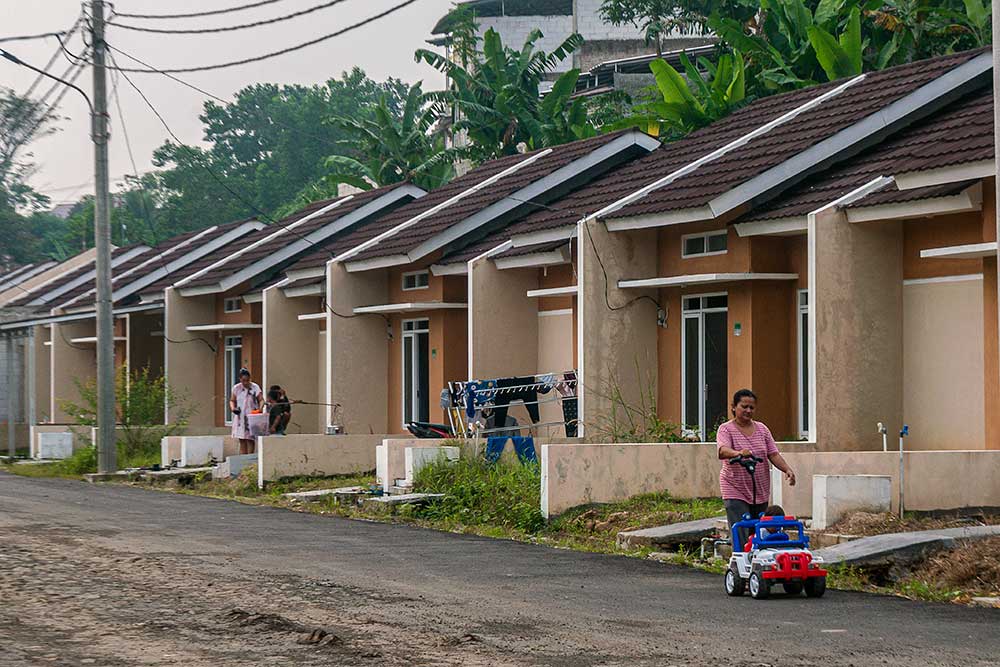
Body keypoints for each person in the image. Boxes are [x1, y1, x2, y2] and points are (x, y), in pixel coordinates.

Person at [717, 389, 797, 538]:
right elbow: (722, 450)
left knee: (759, 530)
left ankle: (757, 559)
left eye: (751, 408)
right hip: (734, 487)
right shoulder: (726, 429)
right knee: (741, 527)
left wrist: (787, 469)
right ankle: (739, 558)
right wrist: (738, 453)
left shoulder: (762, 429)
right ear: (734, 407)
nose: (748, 410)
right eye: (744, 406)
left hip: (759, 488)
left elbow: (773, 453)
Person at [230, 368, 263, 454]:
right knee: (242, 439)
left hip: (251, 416)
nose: (246, 383)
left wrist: (260, 409)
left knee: (250, 439)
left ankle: (250, 459)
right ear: (240, 379)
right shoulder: (236, 388)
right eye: (243, 380)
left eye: (247, 380)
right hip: (240, 417)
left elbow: (261, 400)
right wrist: (233, 408)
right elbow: (232, 400)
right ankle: (243, 459)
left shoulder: (255, 387)